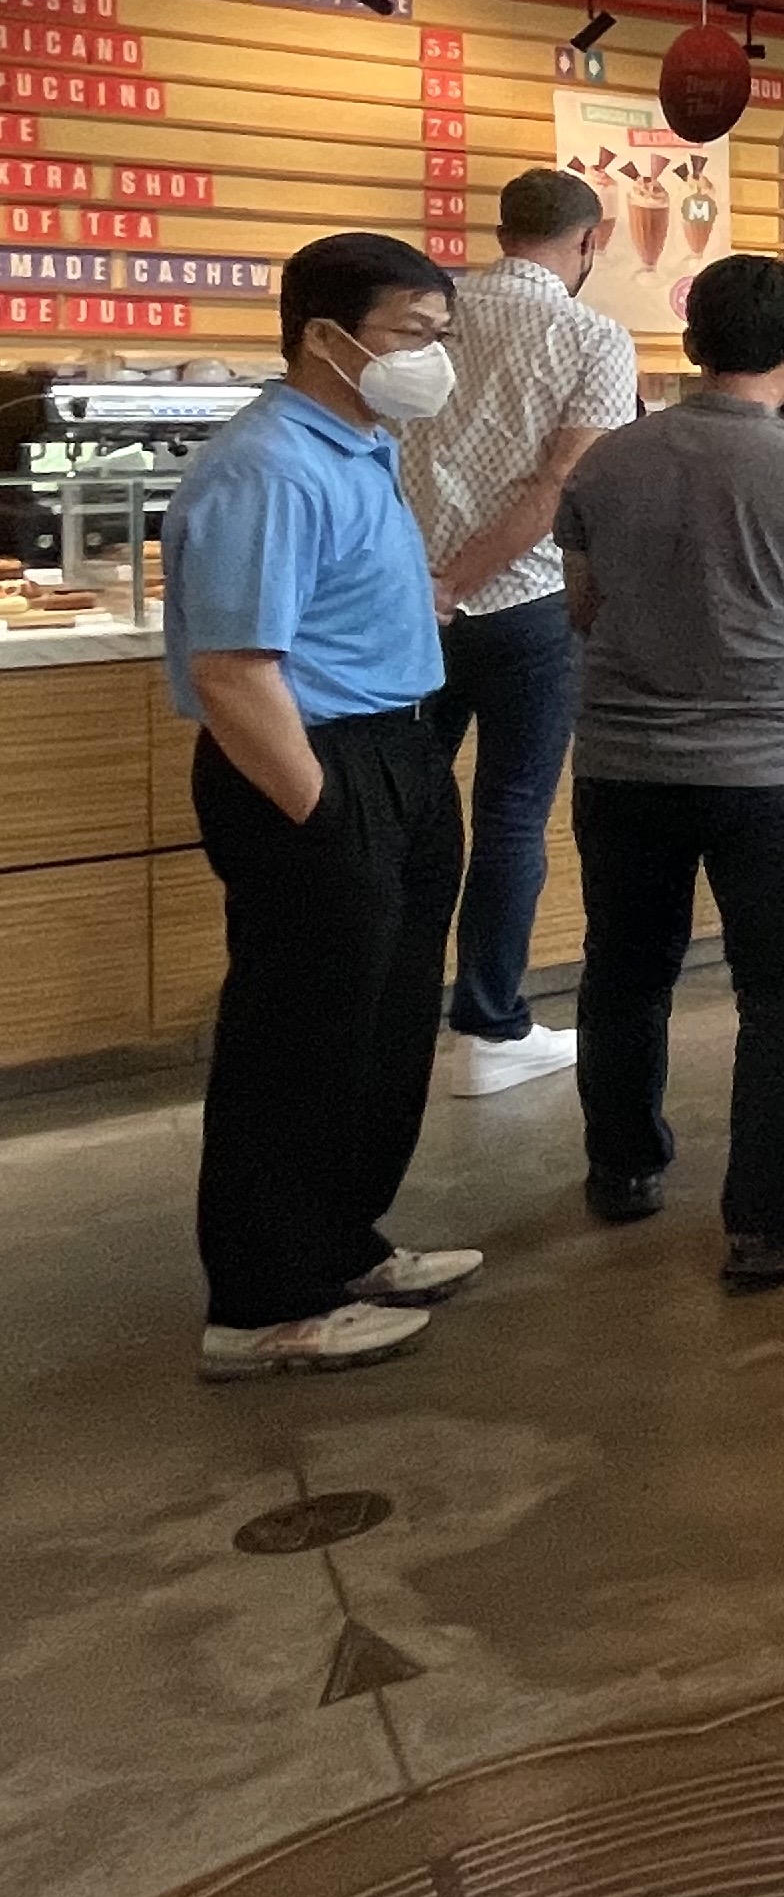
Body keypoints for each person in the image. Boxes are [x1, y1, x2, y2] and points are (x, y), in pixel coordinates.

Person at [170, 232, 479, 1379]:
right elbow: (232, 671)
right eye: (413, 334)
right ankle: (262, 1304)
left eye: (440, 335)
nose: (432, 358)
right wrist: (326, 815)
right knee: (294, 1040)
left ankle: (339, 1244)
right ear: (325, 337)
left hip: (397, 750)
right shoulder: (267, 466)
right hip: (308, 763)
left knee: (381, 1029)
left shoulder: (362, 442)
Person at [556, 254, 784, 1287]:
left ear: (693, 343)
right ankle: (768, 1215)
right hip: (769, 775)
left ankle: (622, 1167)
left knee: (624, 971)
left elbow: (583, 608)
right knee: (782, 994)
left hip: (621, 762)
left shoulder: (605, 465)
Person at [399, 166, 638, 1098]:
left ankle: (391, 1013)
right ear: (590, 240)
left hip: (409, 604)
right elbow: (560, 486)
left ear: (502, 232)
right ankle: (488, 1028)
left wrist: (429, 585)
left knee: (409, 810)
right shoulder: (592, 336)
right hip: (526, 610)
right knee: (510, 817)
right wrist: (461, 581)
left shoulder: (430, 319)